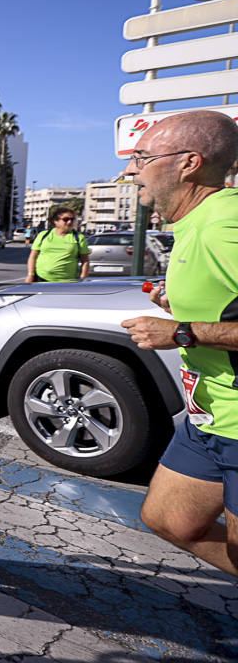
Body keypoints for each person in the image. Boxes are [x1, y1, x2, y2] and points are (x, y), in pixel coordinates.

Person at [119, 110, 238, 577]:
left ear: (189, 163)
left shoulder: (223, 227)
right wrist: (184, 310)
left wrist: (183, 333)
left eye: (143, 158)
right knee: (169, 520)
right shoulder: (195, 222)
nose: (132, 171)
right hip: (208, 419)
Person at [25, 207, 89, 283]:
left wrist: (83, 279)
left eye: (72, 219)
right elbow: (33, 257)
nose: (69, 222)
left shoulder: (78, 238)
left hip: (68, 282)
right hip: (41, 279)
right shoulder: (43, 235)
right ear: (56, 221)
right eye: (66, 219)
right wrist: (30, 275)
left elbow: (85, 261)